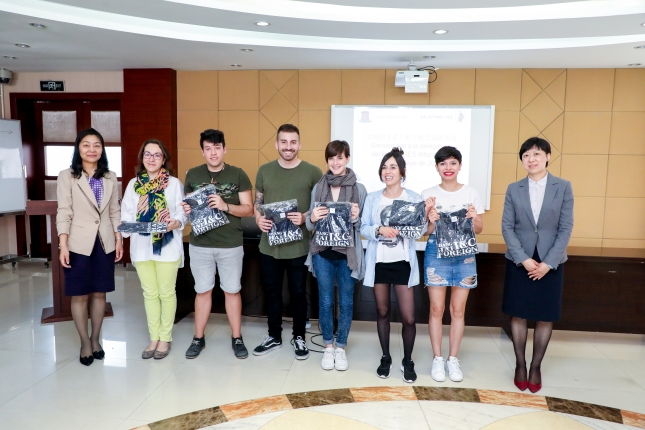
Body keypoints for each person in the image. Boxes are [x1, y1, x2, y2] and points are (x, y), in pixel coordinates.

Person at [502, 137, 574, 393]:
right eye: (526, 156)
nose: (531, 159)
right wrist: (523, 258)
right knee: (518, 313)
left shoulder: (563, 187)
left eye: (536, 154)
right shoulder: (514, 189)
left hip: (550, 261)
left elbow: (565, 228)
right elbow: (507, 227)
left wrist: (549, 263)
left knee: (545, 316)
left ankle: (535, 367)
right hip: (519, 260)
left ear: (547, 157)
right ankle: (520, 364)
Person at [181, 129, 254, 359]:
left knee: (232, 291)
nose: (213, 152)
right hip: (200, 244)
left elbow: (249, 209)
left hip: (230, 244)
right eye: (208, 148)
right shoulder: (192, 174)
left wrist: (225, 206)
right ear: (202, 151)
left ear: (224, 149)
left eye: (217, 147)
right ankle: (198, 338)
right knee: (202, 291)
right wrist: (187, 209)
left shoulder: (238, 174)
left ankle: (237, 337)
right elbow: (188, 208)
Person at [253, 123, 322, 360]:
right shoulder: (264, 170)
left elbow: (320, 206)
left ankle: (299, 336)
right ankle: (274, 335)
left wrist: (305, 216)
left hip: (299, 246)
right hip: (269, 246)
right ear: (277, 144)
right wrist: (258, 218)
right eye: (284, 142)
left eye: (293, 142)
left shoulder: (313, 172)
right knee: (272, 292)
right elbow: (258, 202)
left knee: (298, 293)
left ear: (300, 144)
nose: (288, 147)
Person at [56, 128, 123, 366]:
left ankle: (96, 339)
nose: (91, 149)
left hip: (104, 242)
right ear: (78, 148)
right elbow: (64, 211)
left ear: (102, 149)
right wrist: (63, 245)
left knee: (99, 293)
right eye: (86, 145)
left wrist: (119, 238)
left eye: (97, 145)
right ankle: (84, 342)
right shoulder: (67, 176)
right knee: (80, 294)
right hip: (77, 243)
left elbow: (114, 211)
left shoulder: (110, 176)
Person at [422, 146, 484, 383]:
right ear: (437, 167)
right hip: (436, 253)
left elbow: (479, 228)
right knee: (436, 309)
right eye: (443, 163)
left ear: (459, 166)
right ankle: (437, 358)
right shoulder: (428, 193)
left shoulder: (471, 193)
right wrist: (430, 219)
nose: (448, 168)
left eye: (452, 163)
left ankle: (453, 359)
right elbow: (425, 232)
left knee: (458, 310)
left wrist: (473, 217)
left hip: (464, 255)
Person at [360, 147, 422, 383]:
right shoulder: (373, 198)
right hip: (380, 263)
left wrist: (405, 228)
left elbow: (418, 231)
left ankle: (408, 360)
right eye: (384, 167)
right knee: (383, 312)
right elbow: (363, 227)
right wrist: (379, 229)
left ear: (402, 171)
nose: (388, 171)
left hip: (403, 263)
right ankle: (385, 357)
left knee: (409, 318)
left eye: (393, 167)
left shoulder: (413, 198)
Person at [120, 139, 186, 359]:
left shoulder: (174, 184)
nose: (151, 158)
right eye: (147, 154)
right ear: (142, 158)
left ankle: (165, 338)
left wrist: (176, 222)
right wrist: (129, 226)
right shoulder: (133, 184)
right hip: (142, 247)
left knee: (166, 293)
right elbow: (126, 214)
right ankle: (153, 338)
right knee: (150, 293)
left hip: (167, 245)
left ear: (164, 159)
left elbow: (182, 211)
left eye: (157, 155)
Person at [305, 140, 367, 371]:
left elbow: (362, 225)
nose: (335, 162)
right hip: (322, 253)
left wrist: (355, 217)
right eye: (331, 158)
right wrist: (312, 217)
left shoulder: (359, 189)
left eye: (340, 157)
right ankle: (328, 346)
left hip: (347, 254)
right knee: (325, 301)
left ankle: (341, 347)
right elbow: (310, 224)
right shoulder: (318, 187)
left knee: (346, 302)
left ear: (347, 159)